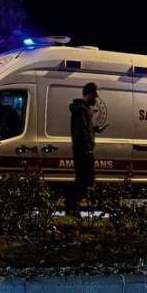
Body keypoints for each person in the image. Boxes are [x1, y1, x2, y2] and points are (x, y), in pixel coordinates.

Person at [66, 82, 108, 215]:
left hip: (82, 150)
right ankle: (72, 205)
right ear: (89, 94)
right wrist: (87, 147)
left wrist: (95, 129)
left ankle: (72, 205)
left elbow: (85, 128)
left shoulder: (82, 109)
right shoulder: (81, 110)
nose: (96, 98)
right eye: (95, 95)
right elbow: (82, 131)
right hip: (83, 151)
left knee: (83, 179)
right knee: (86, 180)